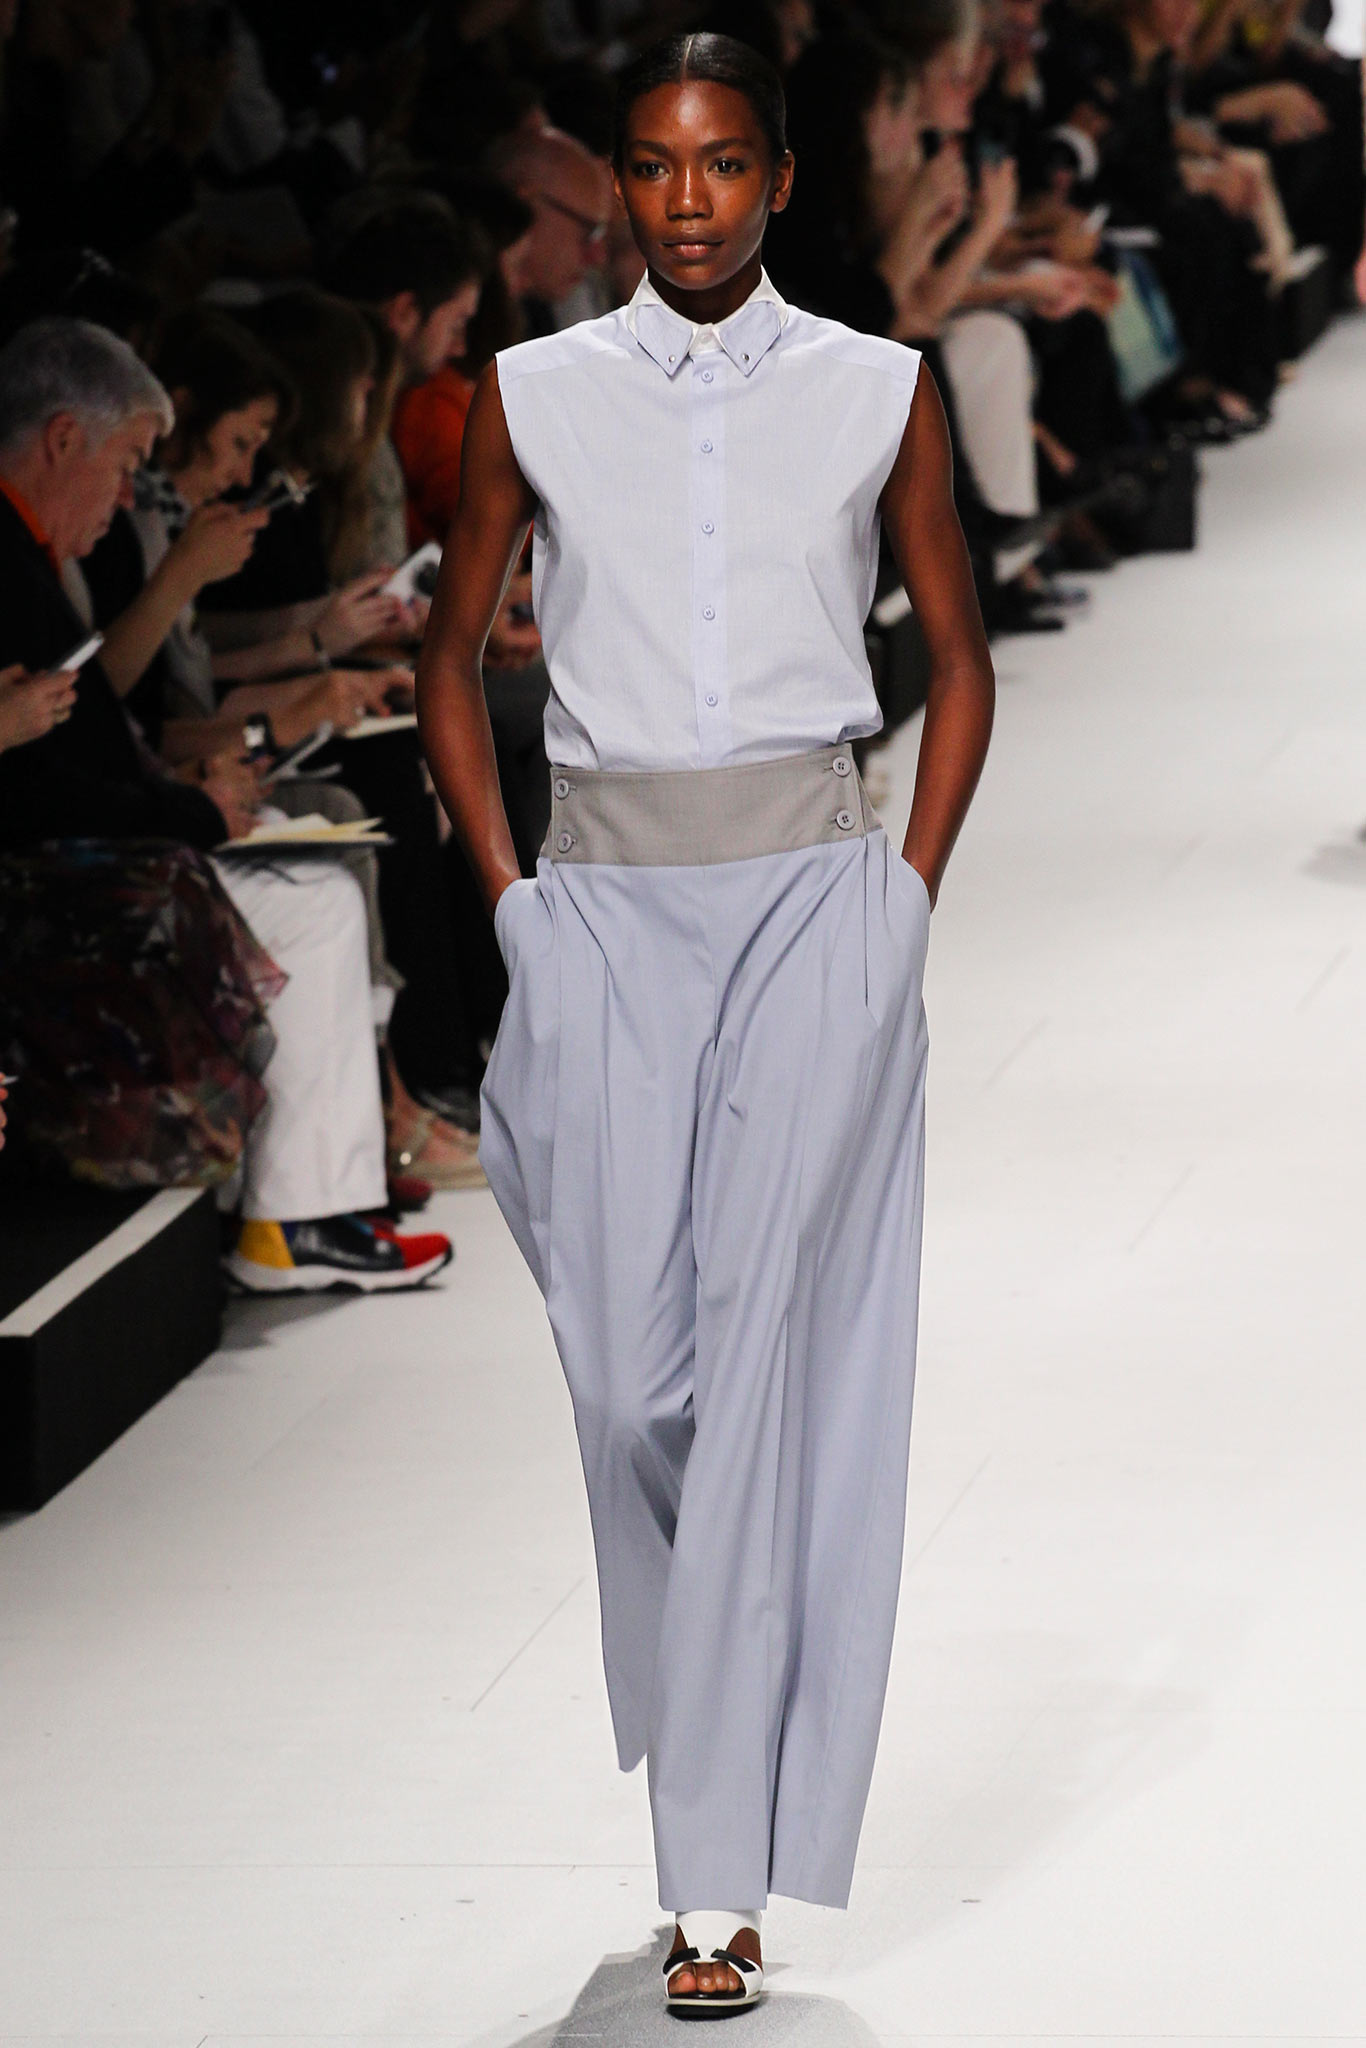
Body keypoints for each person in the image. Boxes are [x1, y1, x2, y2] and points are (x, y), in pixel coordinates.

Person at [416, 31, 994, 2013]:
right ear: (622, 184)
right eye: (655, 164)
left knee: (754, 1367)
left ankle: (712, 1884)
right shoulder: (534, 394)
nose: (685, 198)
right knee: (630, 1387)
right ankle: (717, 1743)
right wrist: (516, 904)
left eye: (723, 162)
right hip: (600, 914)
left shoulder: (876, 389)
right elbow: (448, 658)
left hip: (815, 905)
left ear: (776, 181)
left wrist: (900, 902)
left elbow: (956, 655)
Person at [0, 314, 451, 1288]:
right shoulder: (19, 563)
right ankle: (294, 1217)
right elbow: (51, 780)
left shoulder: (35, 560)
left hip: (88, 849)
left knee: (314, 876)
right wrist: (195, 808)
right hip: (59, 879)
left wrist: (200, 791)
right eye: (126, 463)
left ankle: (307, 1203)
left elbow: (83, 748)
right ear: (64, 439)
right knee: (315, 900)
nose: (130, 492)